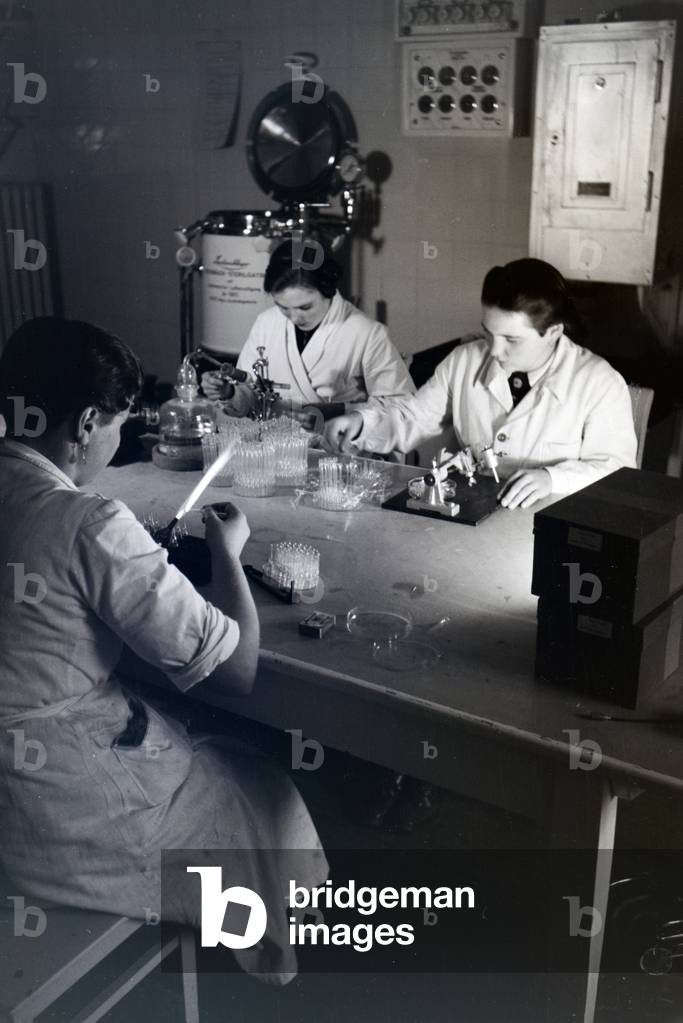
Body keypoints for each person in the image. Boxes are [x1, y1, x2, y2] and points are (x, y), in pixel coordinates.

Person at [0, 318, 327, 979]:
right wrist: (228, 557)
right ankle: (271, 947)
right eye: (118, 426)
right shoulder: (87, 521)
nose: (119, 443)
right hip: (56, 812)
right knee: (262, 788)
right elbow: (234, 671)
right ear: (87, 422)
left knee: (199, 744)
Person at [325, 258, 637, 508]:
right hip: (475, 519)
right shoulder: (465, 361)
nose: (495, 350)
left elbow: (617, 471)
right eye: (488, 333)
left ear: (553, 333)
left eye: (511, 339)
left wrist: (552, 479)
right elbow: (413, 417)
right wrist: (362, 423)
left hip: (551, 528)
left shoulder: (598, 383)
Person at [201, 239, 415, 424]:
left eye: (305, 307)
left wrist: (338, 412)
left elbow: (402, 407)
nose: (294, 318)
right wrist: (229, 393)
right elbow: (249, 394)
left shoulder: (366, 333)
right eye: (283, 307)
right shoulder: (266, 323)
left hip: (337, 453)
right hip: (278, 449)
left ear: (327, 290)